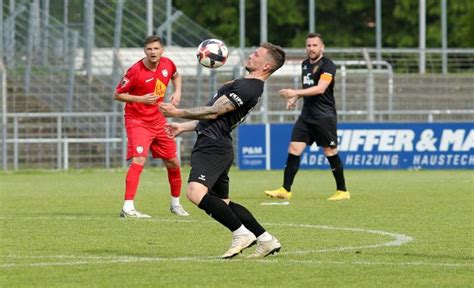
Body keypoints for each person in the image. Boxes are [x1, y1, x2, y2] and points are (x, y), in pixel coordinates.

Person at [159, 42, 286, 258]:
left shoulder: (249, 87)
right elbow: (217, 120)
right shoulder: (246, 84)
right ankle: (265, 239)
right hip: (217, 142)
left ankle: (240, 234)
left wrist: (177, 113)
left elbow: (213, 113)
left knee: (194, 192)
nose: (250, 55)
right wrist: (184, 127)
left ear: (266, 66)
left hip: (213, 146)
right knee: (223, 204)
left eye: (256, 54)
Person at [264, 33, 350, 201]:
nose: (311, 48)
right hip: (306, 116)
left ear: (322, 47)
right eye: (309, 45)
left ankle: (342, 190)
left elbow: (320, 89)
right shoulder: (304, 65)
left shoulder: (328, 65)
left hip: (324, 116)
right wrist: (296, 98)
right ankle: (285, 189)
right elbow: (308, 88)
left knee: (330, 151)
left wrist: (295, 92)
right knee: (294, 149)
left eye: (315, 45)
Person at [114, 35, 189, 218]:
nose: (153, 52)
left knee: (173, 162)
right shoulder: (135, 71)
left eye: (156, 49)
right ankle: (128, 207)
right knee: (139, 159)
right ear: (144, 51)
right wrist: (140, 99)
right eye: (149, 49)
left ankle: (175, 204)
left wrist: (177, 92)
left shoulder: (167, 64)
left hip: (158, 120)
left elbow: (176, 76)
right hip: (137, 121)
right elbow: (117, 94)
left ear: (162, 50)